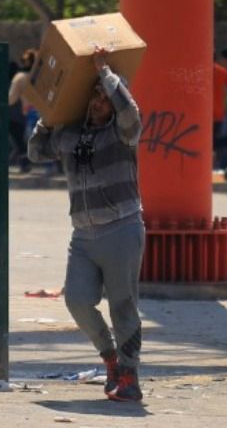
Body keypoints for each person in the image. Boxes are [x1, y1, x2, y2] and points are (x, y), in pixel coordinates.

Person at [28, 47, 146, 402]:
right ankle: (110, 359)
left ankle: (130, 377)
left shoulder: (123, 134)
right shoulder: (70, 135)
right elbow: (36, 151)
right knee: (77, 300)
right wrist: (49, 115)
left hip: (121, 228)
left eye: (104, 97)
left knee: (123, 305)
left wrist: (106, 74)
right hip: (83, 235)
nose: (98, 102)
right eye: (94, 95)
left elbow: (130, 113)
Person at [7, 49, 37, 173]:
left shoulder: (19, 77)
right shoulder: (37, 76)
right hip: (35, 112)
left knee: (19, 141)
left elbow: (11, 99)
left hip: (18, 113)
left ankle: (24, 164)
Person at [212, 58, 227, 168]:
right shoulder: (221, 71)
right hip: (218, 111)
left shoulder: (201, 69)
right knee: (214, 138)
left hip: (205, 115)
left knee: (210, 141)